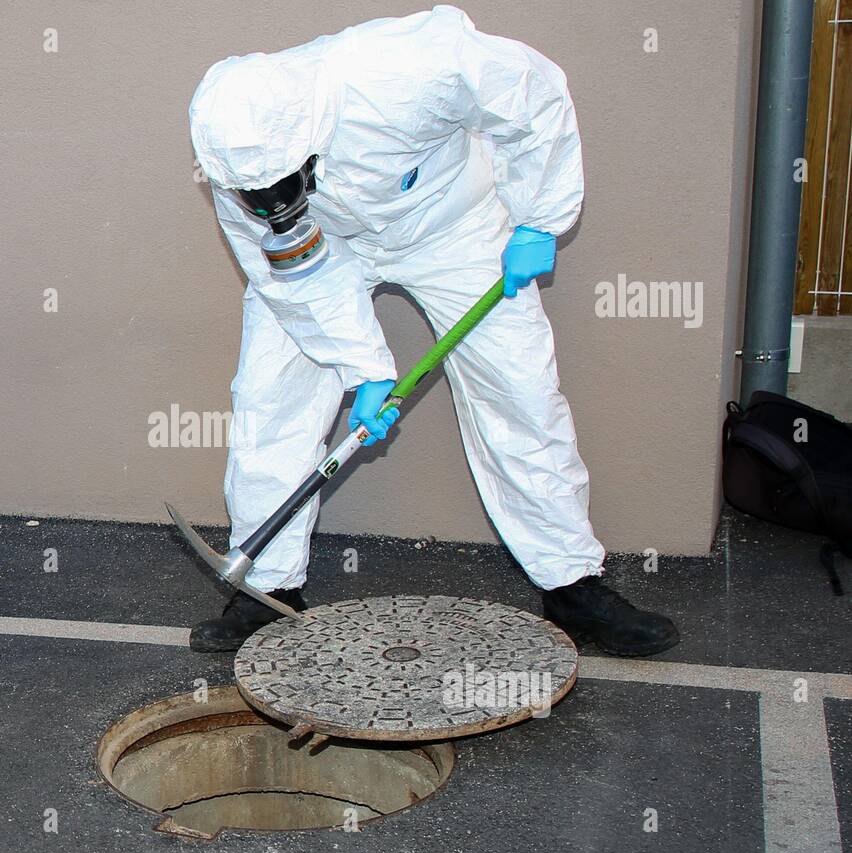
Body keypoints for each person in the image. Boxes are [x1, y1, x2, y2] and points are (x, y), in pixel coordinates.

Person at [186, 6, 679, 657]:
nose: (265, 201)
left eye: (280, 184)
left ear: (308, 134)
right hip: (323, 246)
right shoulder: (237, 170)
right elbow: (298, 281)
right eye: (256, 195)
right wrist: (366, 369)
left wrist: (540, 216)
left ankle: (572, 585)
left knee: (520, 393)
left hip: (454, 224)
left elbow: (532, 96)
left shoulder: (413, 65)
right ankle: (266, 589)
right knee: (271, 401)